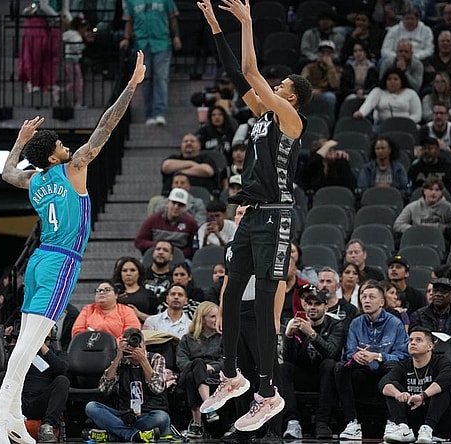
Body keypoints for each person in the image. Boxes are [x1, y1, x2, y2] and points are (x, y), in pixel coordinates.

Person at [0, 52, 146, 444]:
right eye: (59, 143)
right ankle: (2, 409)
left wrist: (18, 143)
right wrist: (131, 86)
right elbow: (105, 126)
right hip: (61, 262)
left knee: (27, 340)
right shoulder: (74, 168)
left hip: (38, 261)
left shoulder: (35, 181)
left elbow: (6, 172)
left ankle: (12, 412)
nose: (67, 145)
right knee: (32, 341)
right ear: (54, 154)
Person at [196, 0, 312, 432]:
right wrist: (214, 27)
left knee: (265, 306)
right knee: (229, 292)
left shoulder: (291, 119)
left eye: (280, 85)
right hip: (250, 215)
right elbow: (236, 71)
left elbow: (250, 72)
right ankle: (232, 376)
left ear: (292, 96)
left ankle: (268, 392)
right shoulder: (263, 116)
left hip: (277, 216)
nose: (273, 87)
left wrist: (246, 23)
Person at [335, 280, 410, 440]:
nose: (367, 300)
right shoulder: (356, 323)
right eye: (364, 297)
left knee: (394, 367)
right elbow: (349, 352)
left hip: (385, 369)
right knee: (340, 368)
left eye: (371, 297)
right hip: (363, 369)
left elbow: (403, 355)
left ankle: (394, 422)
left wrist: (377, 356)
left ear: (382, 302)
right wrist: (356, 355)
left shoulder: (395, 323)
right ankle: (352, 423)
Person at [280, 284, 346, 440]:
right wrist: (288, 337)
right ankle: (292, 422)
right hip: (303, 374)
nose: (313, 307)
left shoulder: (336, 324)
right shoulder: (297, 324)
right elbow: (290, 359)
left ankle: (322, 422)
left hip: (325, 377)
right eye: (309, 304)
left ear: (326, 306)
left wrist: (312, 334)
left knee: (329, 364)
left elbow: (332, 352)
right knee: (284, 368)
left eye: (317, 304)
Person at [85, 328, 171, 441]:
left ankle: (114, 434)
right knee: (91, 407)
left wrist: (143, 360)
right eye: (130, 343)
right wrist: (118, 357)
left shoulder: (156, 358)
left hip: (149, 414)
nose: (134, 346)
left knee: (162, 418)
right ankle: (135, 435)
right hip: (125, 415)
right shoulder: (120, 361)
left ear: (144, 344)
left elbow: (157, 389)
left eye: (136, 343)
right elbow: (103, 389)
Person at [379, 326, 451, 443]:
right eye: (411, 340)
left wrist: (423, 396)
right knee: (392, 386)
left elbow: (447, 377)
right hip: (416, 422)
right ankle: (403, 428)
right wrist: (398, 394)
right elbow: (383, 382)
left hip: (442, 424)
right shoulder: (404, 365)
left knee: (440, 387)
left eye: (418, 340)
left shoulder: (441, 362)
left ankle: (428, 428)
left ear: (430, 346)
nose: (413, 343)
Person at [0, 324, 69, 444]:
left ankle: (47, 426)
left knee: (63, 381)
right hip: (20, 402)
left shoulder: (58, 354)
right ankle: (1, 422)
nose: (38, 330)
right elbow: (8, 368)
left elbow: (61, 368)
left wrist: (39, 343)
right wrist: (14, 343)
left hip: (42, 403)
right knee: (1, 377)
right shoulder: (22, 353)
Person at [120, 0, 180, 126]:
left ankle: (159, 113)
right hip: (141, 44)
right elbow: (129, 21)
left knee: (161, 77)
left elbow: (172, 18)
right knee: (145, 79)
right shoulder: (132, 2)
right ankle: (149, 114)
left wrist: (176, 37)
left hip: (162, 42)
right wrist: (126, 38)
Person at [176, 301, 223, 438]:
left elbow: (226, 360)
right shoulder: (188, 338)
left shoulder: (223, 338)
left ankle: (196, 424)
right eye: (212, 316)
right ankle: (209, 407)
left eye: (218, 316)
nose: (216, 320)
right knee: (197, 364)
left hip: (213, 376)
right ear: (202, 318)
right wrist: (200, 367)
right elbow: (181, 362)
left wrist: (212, 367)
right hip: (188, 372)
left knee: (193, 377)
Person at [410, 277, 451, 358]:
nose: (438, 294)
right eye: (435, 291)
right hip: (425, 361)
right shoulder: (418, 316)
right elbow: (415, 344)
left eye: (443, 291)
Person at [135, 188, 200, 259]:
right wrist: (160, 247)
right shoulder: (153, 219)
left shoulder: (191, 223)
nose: (176, 207)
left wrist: (175, 252)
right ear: (167, 203)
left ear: (185, 207)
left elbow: (193, 247)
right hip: (155, 257)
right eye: (174, 203)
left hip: (180, 259)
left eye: (180, 205)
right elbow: (139, 241)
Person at [72, 280, 141, 339]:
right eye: (98, 291)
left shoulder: (126, 311)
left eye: (107, 290)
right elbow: (77, 332)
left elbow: (131, 334)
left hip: (119, 351)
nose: (101, 292)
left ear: (116, 295)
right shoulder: (88, 310)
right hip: (89, 349)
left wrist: (110, 344)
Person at [354, 68, 422, 126]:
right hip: (383, 125)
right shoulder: (378, 91)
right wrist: (361, 113)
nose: (392, 82)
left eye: (395, 79)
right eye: (389, 79)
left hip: (406, 125)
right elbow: (368, 104)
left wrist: (405, 123)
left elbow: (417, 115)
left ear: (402, 81)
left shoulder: (411, 93)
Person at [114, 257, 159, 323]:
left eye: (132, 270)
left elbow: (157, 321)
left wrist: (139, 314)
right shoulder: (113, 294)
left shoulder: (149, 294)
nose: (128, 273)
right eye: (124, 270)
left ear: (139, 273)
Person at [300, 40, 342, 109]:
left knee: (331, 97)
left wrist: (330, 67)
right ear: (318, 54)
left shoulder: (337, 69)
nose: (325, 55)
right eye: (323, 52)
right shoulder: (309, 67)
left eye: (328, 52)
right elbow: (302, 82)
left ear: (333, 55)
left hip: (325, 92)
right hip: (311, 91)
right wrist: (311, 91)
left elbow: (335, 85)